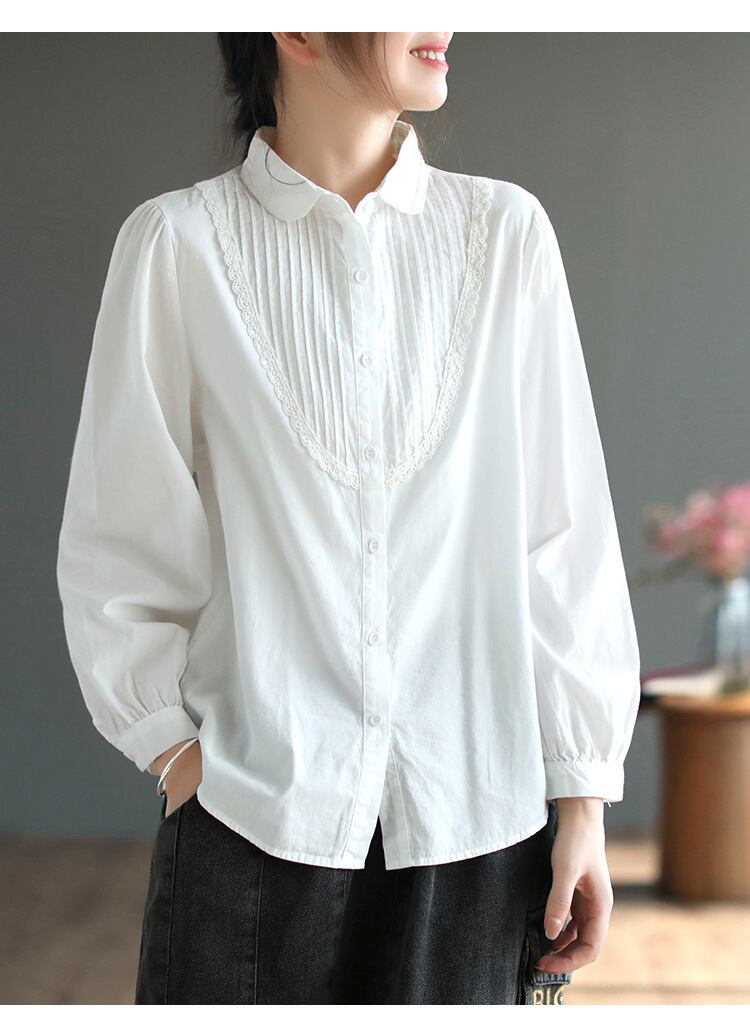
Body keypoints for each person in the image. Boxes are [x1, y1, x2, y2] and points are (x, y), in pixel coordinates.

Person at [56, 32, 641, 1005]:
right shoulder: (176, 244)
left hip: (477, 824)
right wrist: (176, 752)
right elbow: (119, 536)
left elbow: (562, 535)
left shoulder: (505, 233)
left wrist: (581, 800)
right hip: (250, 824)